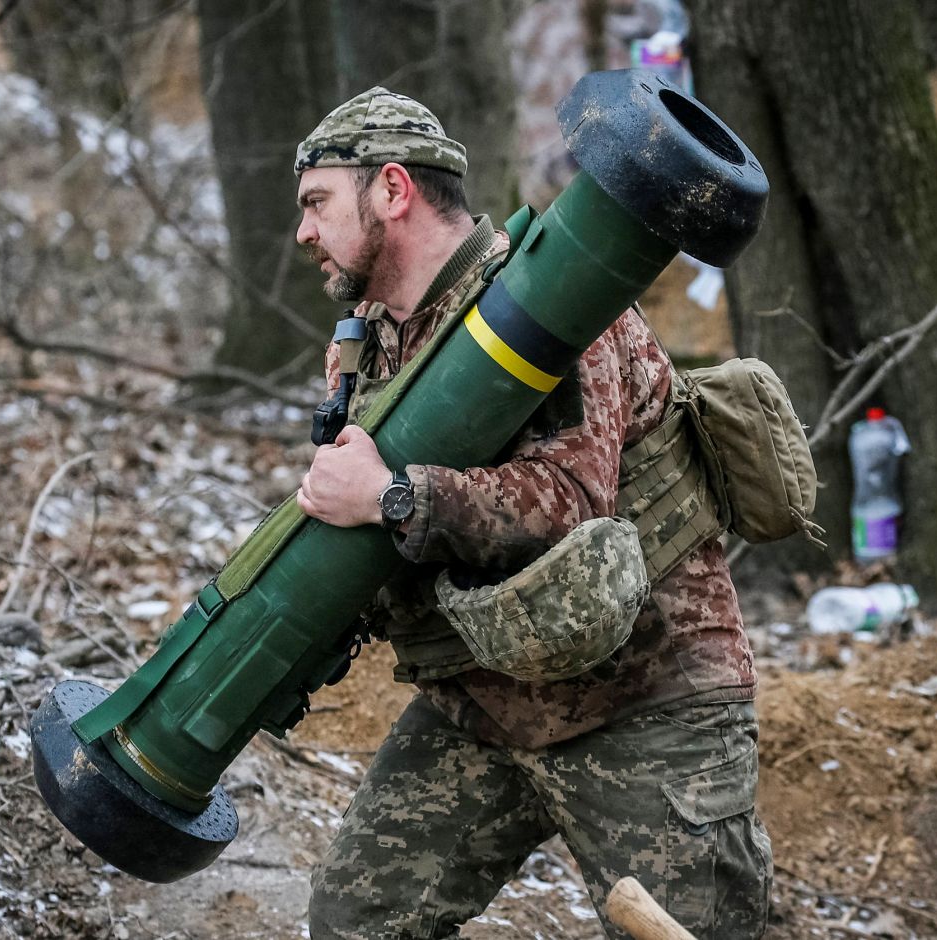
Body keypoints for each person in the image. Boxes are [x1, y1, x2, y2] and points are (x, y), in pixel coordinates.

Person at [291, 86, 772, 939]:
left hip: (647, 702)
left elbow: (568, 502)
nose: (304, 232)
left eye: (317, 202)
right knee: (355, 923)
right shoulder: (371, 342)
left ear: (392, 191)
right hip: (481, 707)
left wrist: (393, 497)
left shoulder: (554, 299)